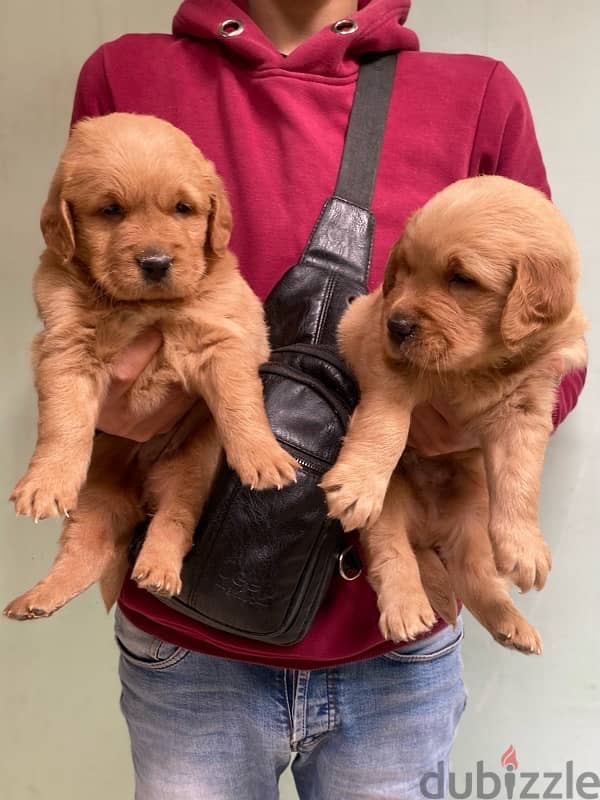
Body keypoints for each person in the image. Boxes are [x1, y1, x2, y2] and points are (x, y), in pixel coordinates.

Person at [70, 1, 586, 797]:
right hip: (187, 638)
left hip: (394, 640)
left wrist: (444, 422)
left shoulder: (477, 93)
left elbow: (551, 347)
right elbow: (83, 296)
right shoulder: (129, 74)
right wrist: (117, 404)